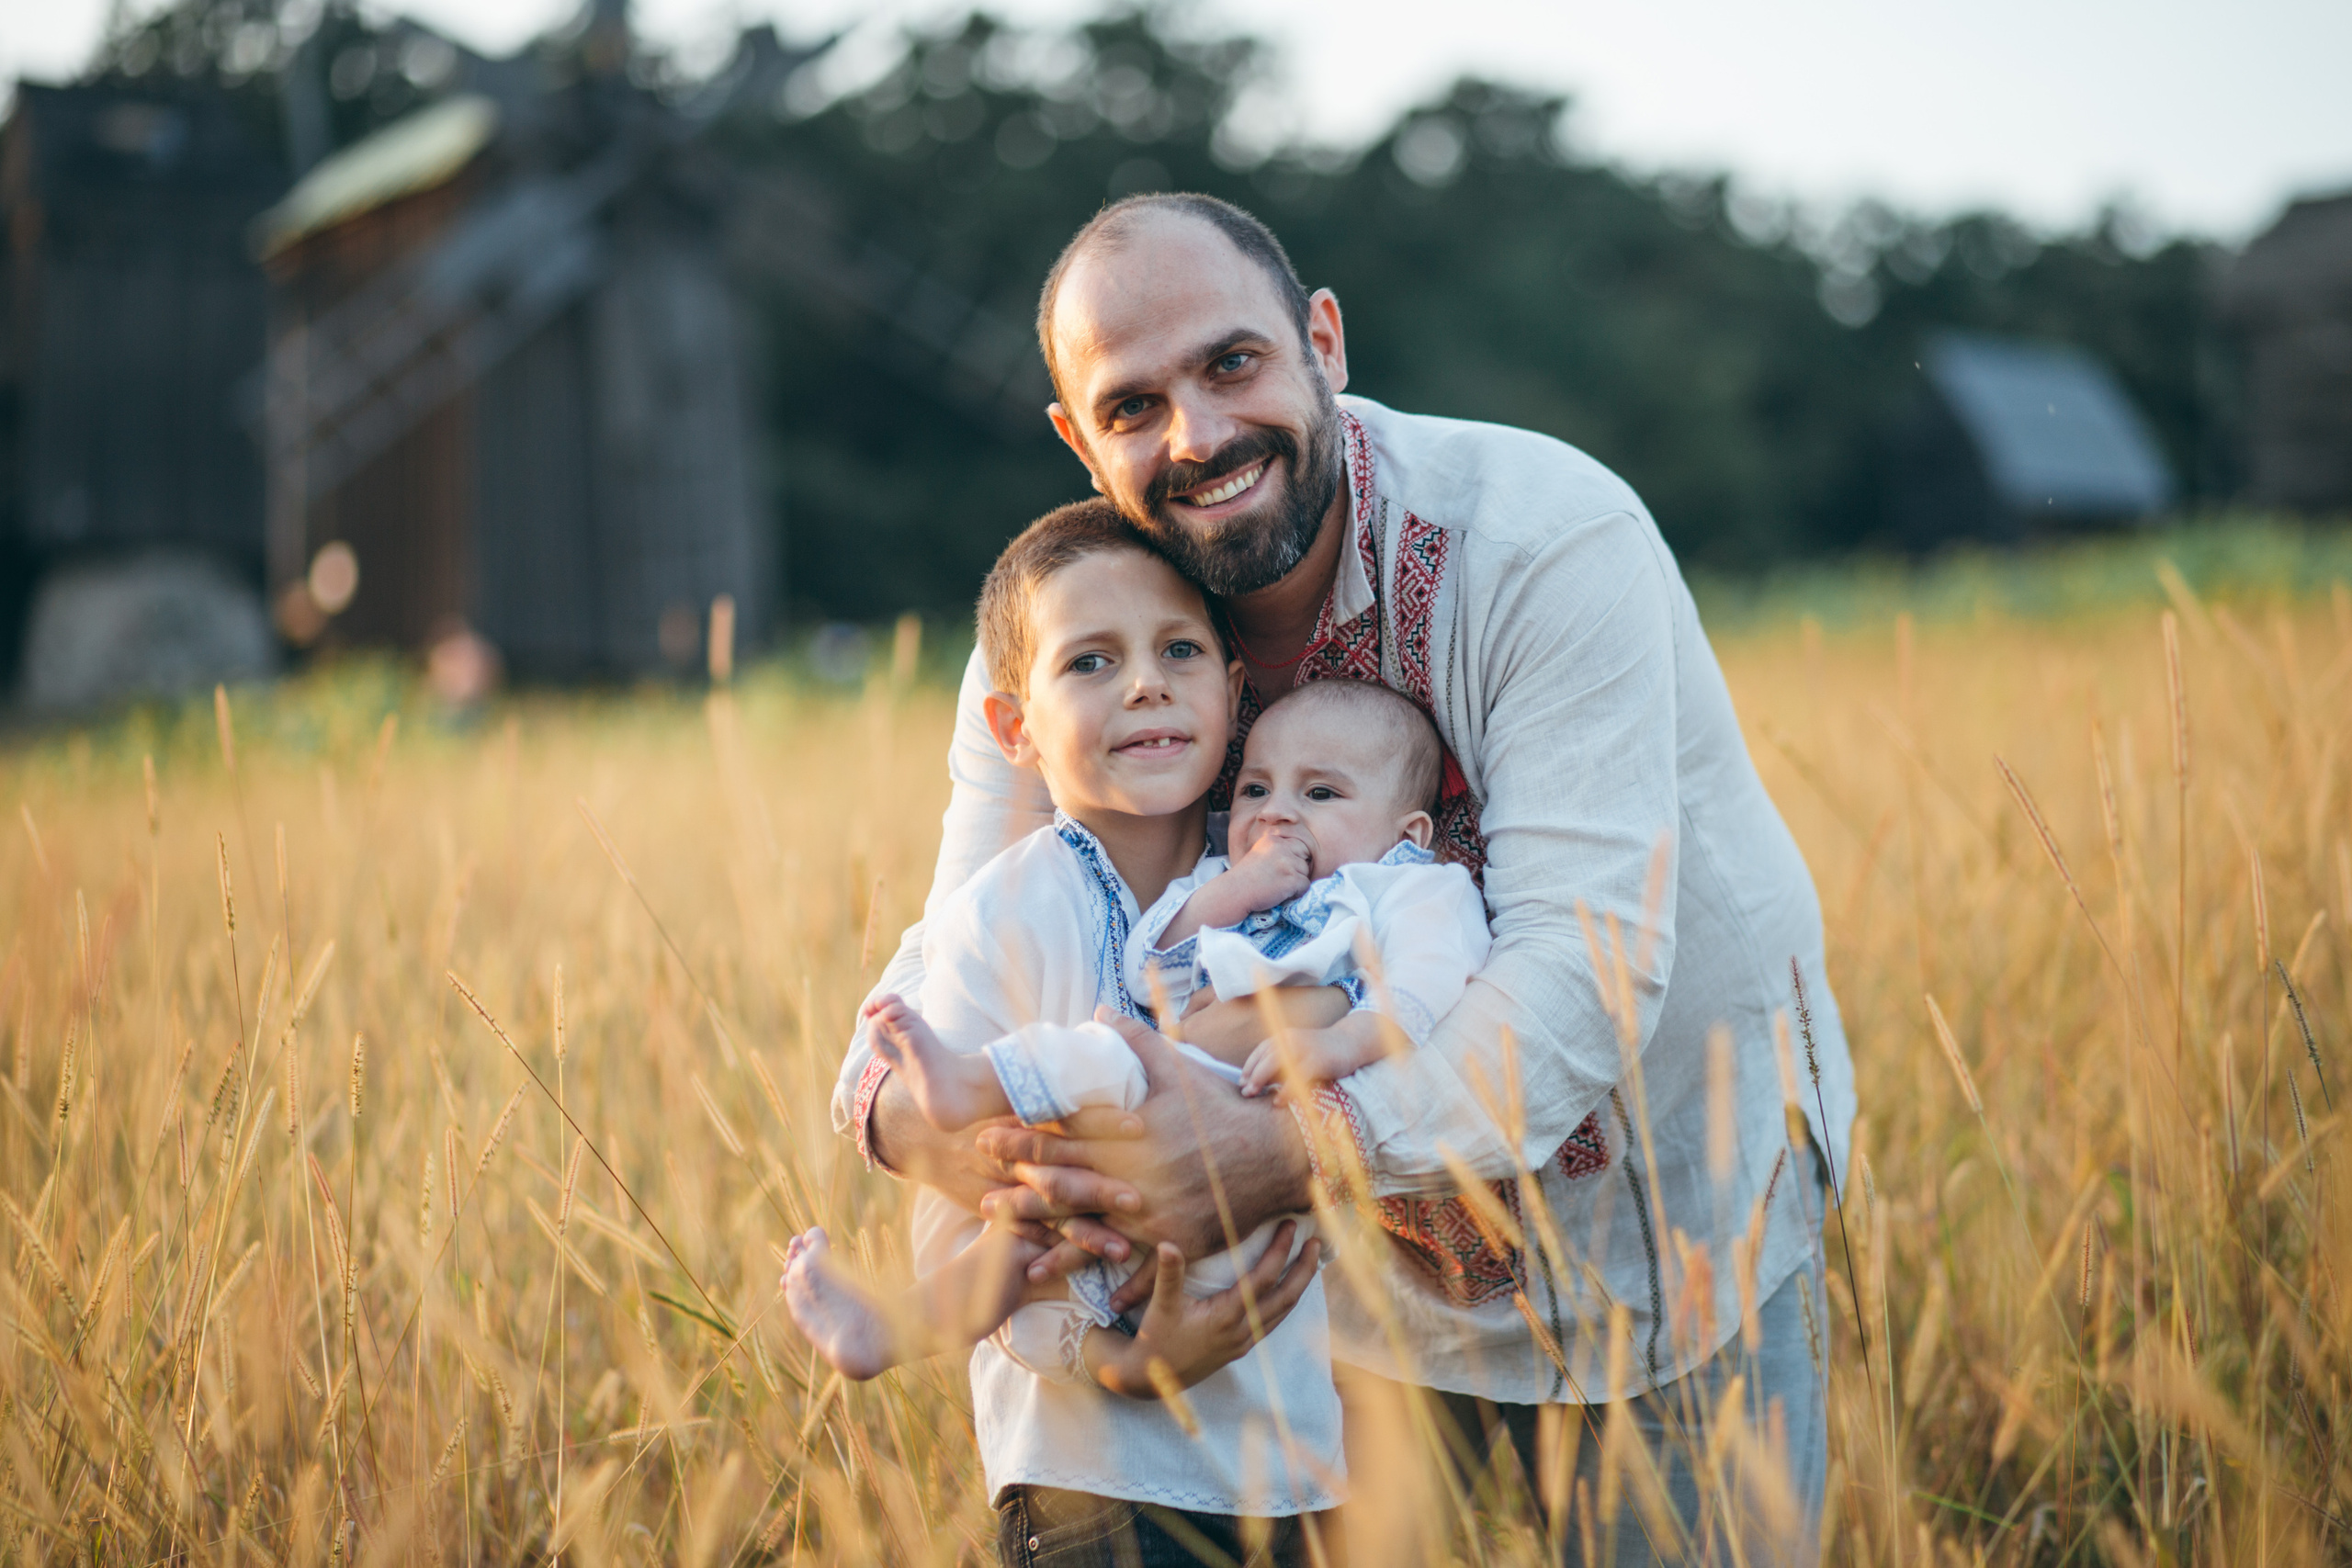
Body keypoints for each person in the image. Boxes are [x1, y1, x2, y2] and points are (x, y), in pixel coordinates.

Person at [841, 191, 1856, 1567]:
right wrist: (926, 1129)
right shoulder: (1064, 639)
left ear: (1322, 341)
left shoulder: (1540, 544)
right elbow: (960, 963)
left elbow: (1583, 976)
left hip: (1655, 1229)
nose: (1197, 435)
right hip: (1318, 1295)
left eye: (1232, 362)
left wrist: (1269, 1156)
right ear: (1079, 440)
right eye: (1134, 406)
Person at [792, 501, 1341, 1568]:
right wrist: (1110, 1361)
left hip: (1289, 1458)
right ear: (1015, 731)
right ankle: (888, 1327)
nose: (1145, 684)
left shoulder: (1281, 890)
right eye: (1091, 662)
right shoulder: (1001, 913)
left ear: (1234, 692)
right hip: (1092, 1471)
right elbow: (960, 1196)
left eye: (1179, 650)